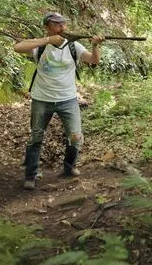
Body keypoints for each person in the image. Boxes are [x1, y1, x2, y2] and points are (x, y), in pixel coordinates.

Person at [14, 12, 105, 190]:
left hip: (68, 99)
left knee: (75, 136)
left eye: (63, 24)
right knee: (36, 137)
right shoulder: (39, 45)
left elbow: (94, 61)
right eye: (57, 24)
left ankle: (69, 167)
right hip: (42, 99)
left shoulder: (74, 46)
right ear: (47, 27)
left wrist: (95, 46)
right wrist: (47, 40)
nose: (62, 27)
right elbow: (17, 47)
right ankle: (31, 174)